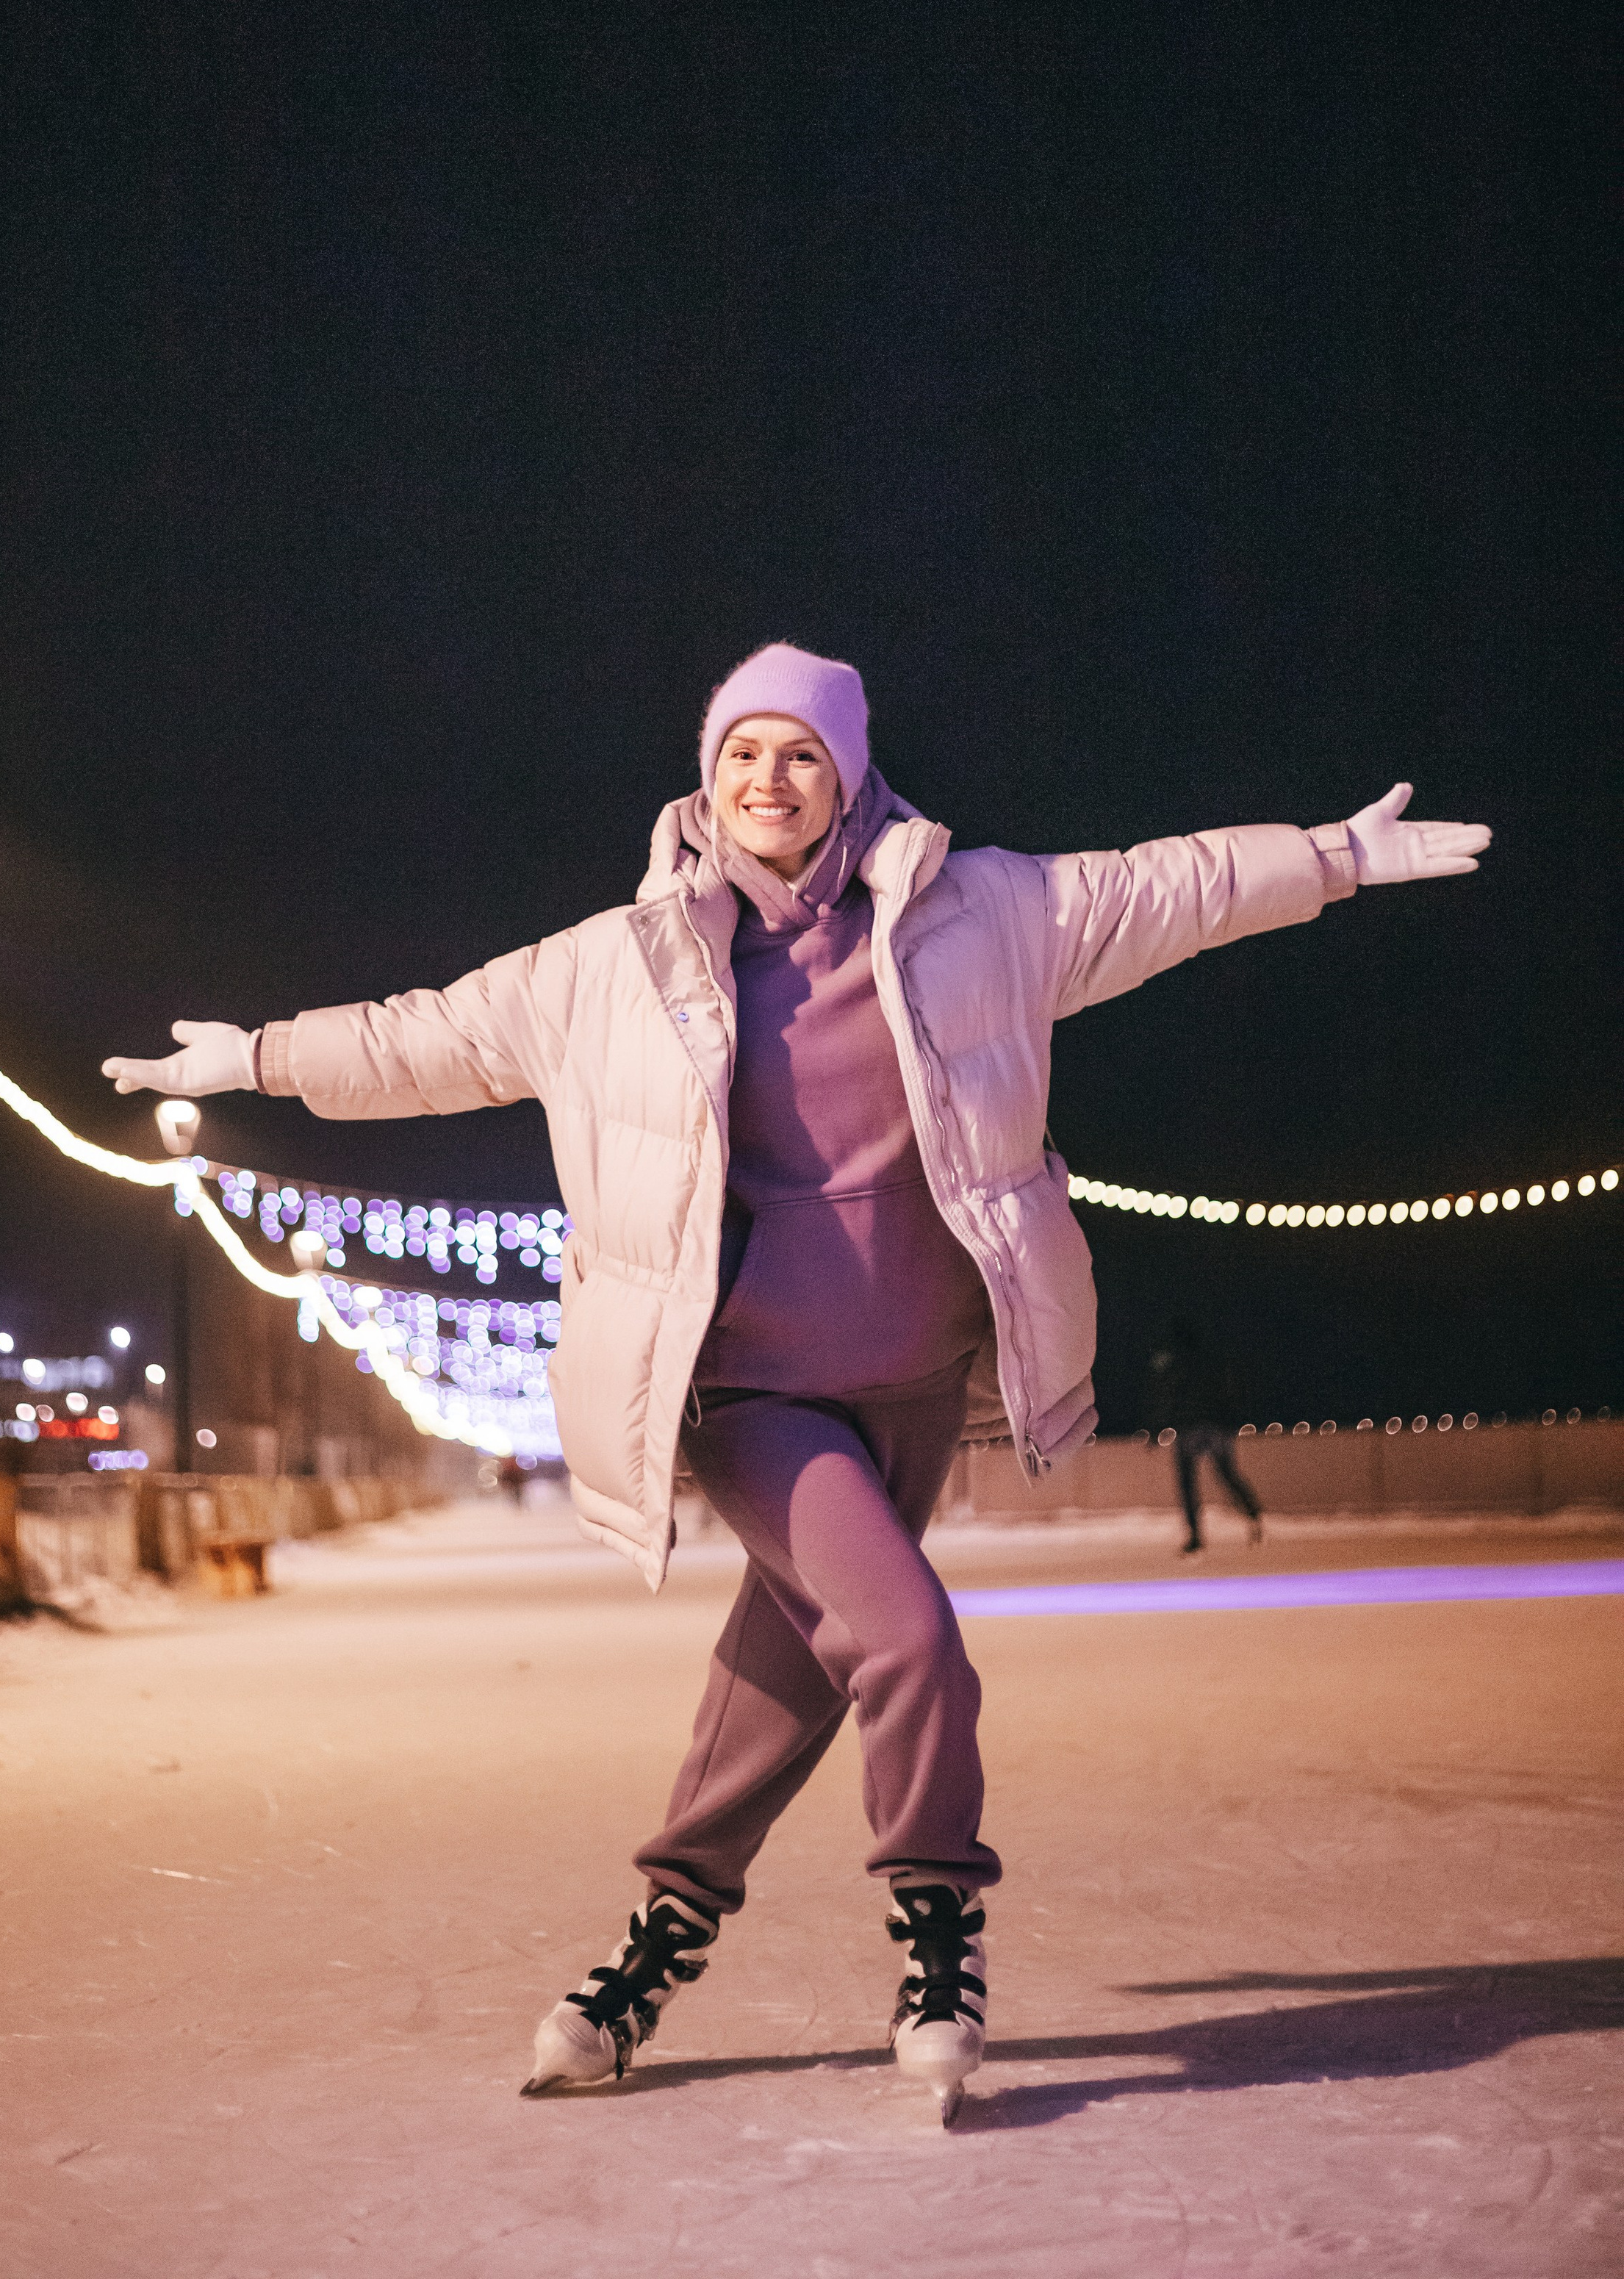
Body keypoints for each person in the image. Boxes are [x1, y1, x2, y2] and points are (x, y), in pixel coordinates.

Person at [104, 642, 1488, 2122]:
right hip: (747, 1393)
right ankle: (938, 1938)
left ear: (849, 776)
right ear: (705, 777)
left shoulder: (982, 915)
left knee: (785, 1677)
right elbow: (426, 1037)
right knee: (906, 1645)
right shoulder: (612, 966)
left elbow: (1163, 888)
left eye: (801, 755)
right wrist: (255, 1054)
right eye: (742, 753)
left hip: (908, 1380)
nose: (769, 780)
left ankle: (644, 1954)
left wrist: (1329, 856)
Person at [1147, 1315, 1265, 1551]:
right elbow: (1230, 1390)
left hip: (1191, 1426)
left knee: (1188, 1482)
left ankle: (1195, 1537)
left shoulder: (1175, 1362)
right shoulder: (1212, 1359)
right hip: (1216, 1425)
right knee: (1227, 1474)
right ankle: (1253, 1512)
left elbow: (1165, 1394)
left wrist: (1156, 1427)